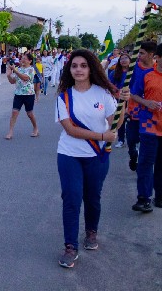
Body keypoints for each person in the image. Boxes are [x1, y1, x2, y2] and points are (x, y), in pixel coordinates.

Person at [55, 49, 127, 268]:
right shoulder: (64, 96)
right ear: (70, 69)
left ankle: (91, 233)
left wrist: (123, 104)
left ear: (91, 68)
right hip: (69, 154)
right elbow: (70, 130)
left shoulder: (103, 94)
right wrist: (102, 136)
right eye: (75, 66)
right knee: (72, 198)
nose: (78, 69)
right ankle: (70, 246)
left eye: (83, 65)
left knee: (93, 197)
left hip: (97, 155)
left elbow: (115, 123)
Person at [129, 43, 162, 212]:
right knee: (146, 162)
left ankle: (160, 196)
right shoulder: (147, 75)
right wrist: (146, 102)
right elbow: (133, 94)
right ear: (158, 57)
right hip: (149, 125)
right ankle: (144, 198)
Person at [127, 42, 156, 171]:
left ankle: (144, 167)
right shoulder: (133, 68)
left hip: (151, 116)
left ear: (151, 55)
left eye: (142, 53)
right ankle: (133, 155)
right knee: (132, 140)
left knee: (146, 142)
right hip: (134, 112)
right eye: (139, 52)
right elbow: (130, 91)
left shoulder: (157, 69)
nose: (139, 55)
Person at [5, 52, 39, 140]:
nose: (22, 60)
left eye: (25, 59)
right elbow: (13, 81)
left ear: (30, 61)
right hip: (18, 93)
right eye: (22, 58)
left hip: (29, 94)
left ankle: (35, 128)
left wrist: (15, 70)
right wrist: (8, 75)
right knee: (14, 112)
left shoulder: (31, 69)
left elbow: (25, 78)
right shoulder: (18, 69)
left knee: (30, 113)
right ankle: (10, 132)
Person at [108, 53, 130, 148]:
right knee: (120, 120)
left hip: (132, 99)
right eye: (122, 59)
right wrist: (116, 90)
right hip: (119, 99)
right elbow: (109, 84)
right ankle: (121, 139)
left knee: (131, 121)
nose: (124, 60)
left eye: (126, 58)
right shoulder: (115, 72)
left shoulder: (134, 72)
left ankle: (132, 139)